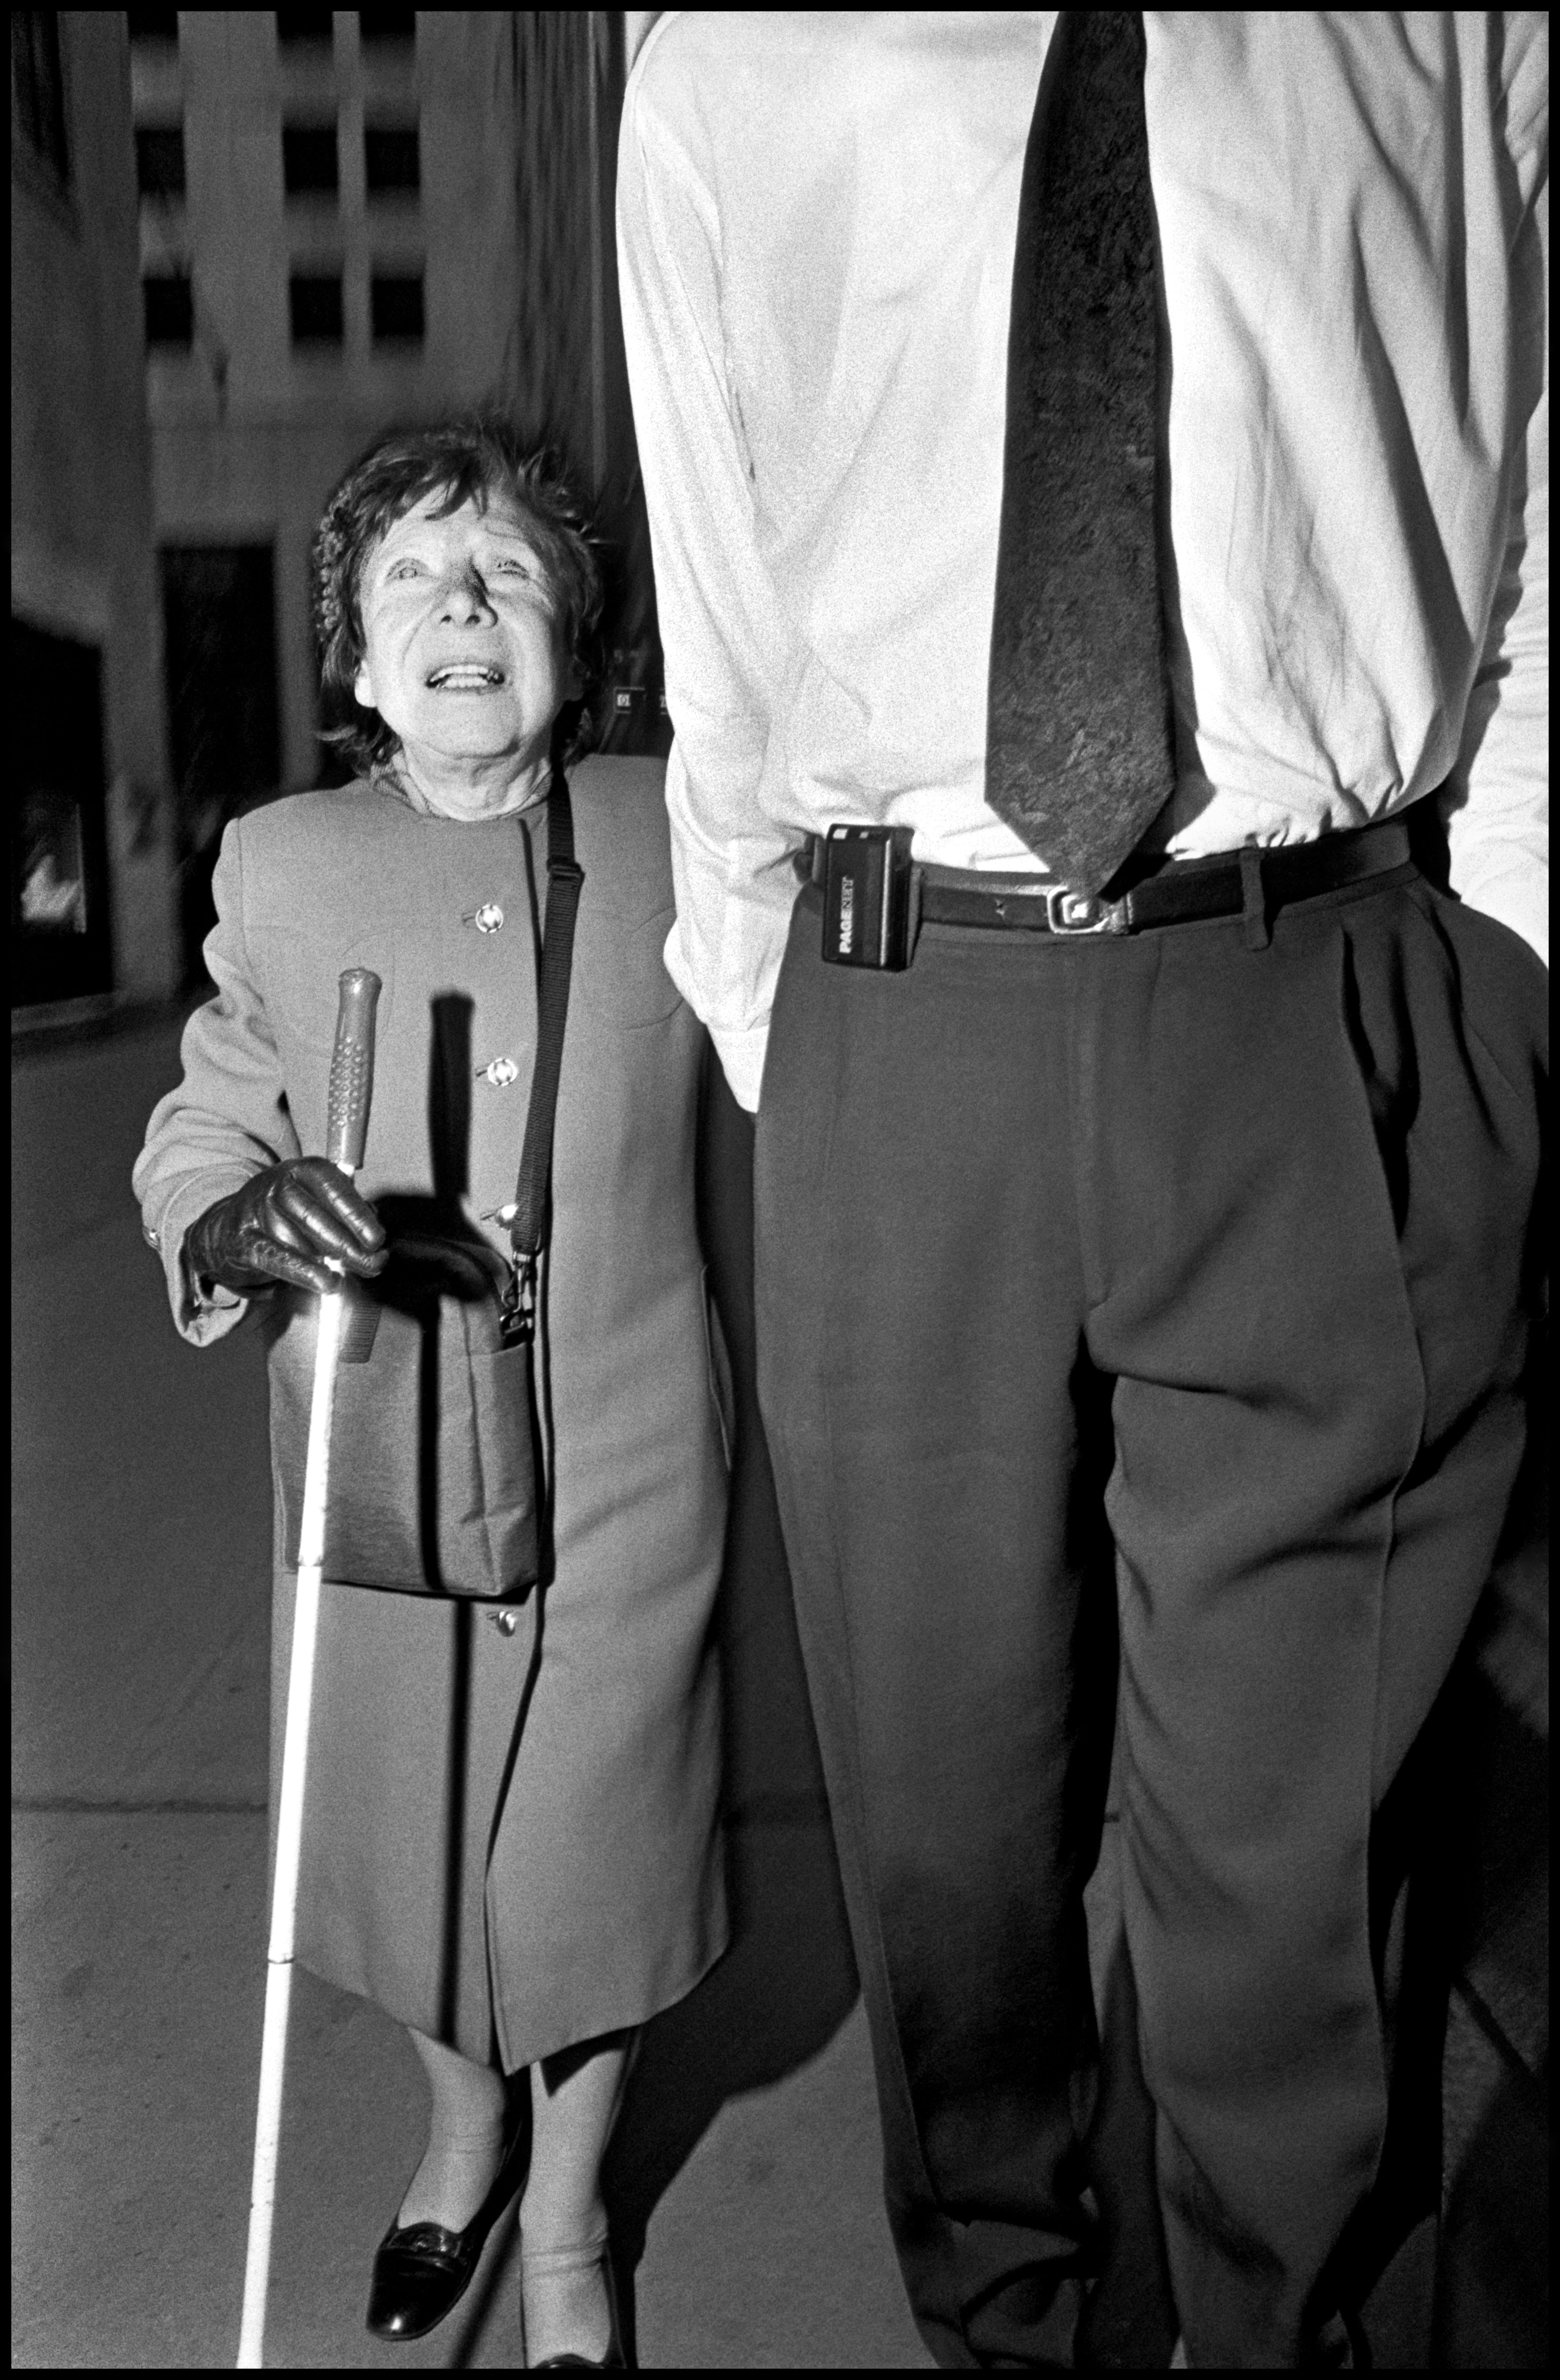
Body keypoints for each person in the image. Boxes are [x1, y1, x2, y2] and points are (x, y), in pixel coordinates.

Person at [618, 12, 1548, 2369]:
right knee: (945, 1858)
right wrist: (793, 1030)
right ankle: (1007, 2330)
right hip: (901, 1011)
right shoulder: (727, 44)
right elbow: (718, 587)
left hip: (1328, 993)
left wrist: (1515, 982)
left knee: (1304, 1892)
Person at [134, 417, 733, 2369]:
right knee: (411, 1844)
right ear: (360, 660)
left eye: (508, 570)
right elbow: (207, 1122)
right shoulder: (284, 863)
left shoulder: (687, 827)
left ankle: (568, 2220)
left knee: (596, 1858)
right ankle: (462, 2131)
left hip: (633, 1444)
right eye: (411, 574)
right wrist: (236, 1219)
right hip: (385, 1454)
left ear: (579, 635)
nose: (462, 602)